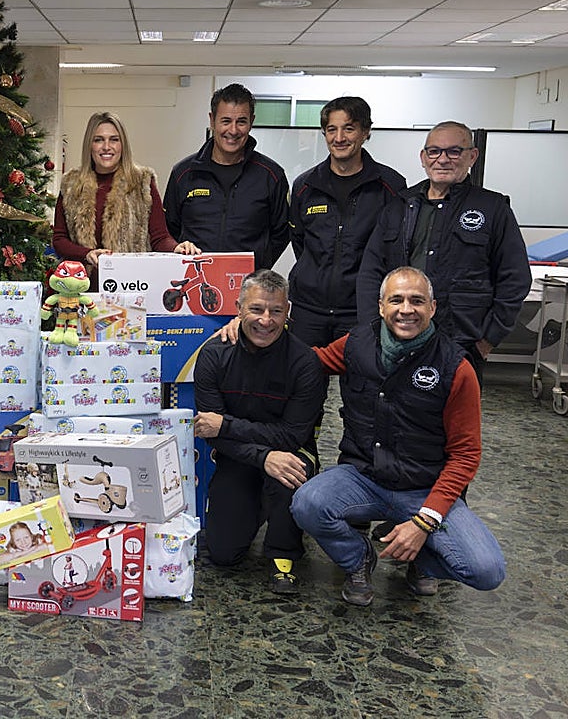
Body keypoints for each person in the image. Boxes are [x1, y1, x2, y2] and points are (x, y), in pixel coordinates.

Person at [292, 267, 506, 605]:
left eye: (417, 301)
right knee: (307, 504)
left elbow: (466, 455)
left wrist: (424, 523)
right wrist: (247, 330)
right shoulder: (356, 344)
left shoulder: (456, 367)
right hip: (363, 477)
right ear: (381, 306)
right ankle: (358, 558)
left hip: (425, 488)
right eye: (396, 300)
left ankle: (423, 558)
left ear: (432, 307)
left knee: (486, 570)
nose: (406, 309)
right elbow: (307, 361)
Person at [357, 121, 530, 384]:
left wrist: (488, 339)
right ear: (423, 157)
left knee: (455, 409)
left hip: (461, 341)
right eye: (434, 151)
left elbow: (515, 279)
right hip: (398, 336)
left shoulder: (492, 208)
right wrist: (373, 328)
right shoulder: (400, 205)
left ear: (472, 156)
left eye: (454, 151)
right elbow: (371, 271)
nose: (443, 159)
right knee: (393, 405)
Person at [192, 269, 325, 594]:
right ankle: (259, 506)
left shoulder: (305, 363)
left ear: (287, 311)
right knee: (223, 554)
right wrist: (263, 456)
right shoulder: (212, 355)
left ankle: (284, 553)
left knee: (288, 474)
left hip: (291, 454)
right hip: (238, 456)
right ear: (238, 308)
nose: (266, 320)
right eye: (256, 309)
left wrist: (227, 425)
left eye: (276, 311)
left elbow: (291, 436)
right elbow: (211, 431)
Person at [288, 97, 406, 347]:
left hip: (362, 310)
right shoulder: (304, 186)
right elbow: (299, 241)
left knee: (361, 373)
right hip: (308, 309)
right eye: (332, 129)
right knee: (304, 372)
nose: (339, 138)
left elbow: (394, 248)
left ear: (365, 132)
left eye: (349, 128)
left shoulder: (391, 186)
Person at [53, 111, 195, 287]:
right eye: (98, 140)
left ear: (122, 145)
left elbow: (159, 237)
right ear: (89, 144)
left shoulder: (142, 181)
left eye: (114, 139)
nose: (106, 146)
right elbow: (59, 239)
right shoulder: (71, 184)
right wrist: (86, 254)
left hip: (131, 287)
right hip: (82, 290)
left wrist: (177, 247)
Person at [164, 83, 289, 270]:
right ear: (212, 120)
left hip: (249, 282)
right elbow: (169, 230)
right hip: (196, 278)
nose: (233, 130)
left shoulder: (271, 175)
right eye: (226, 121)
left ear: (252, 121)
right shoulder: (183, 174)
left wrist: (259, 264)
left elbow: (282, 233)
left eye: (241, 121)